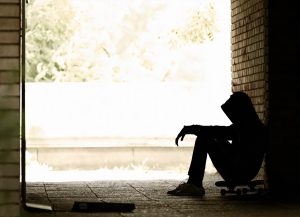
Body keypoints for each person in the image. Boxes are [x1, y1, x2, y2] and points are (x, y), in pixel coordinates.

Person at [167, 91, 266, 196]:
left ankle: (195, 183)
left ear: (241, 110)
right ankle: (193, 183)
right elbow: (218, 131)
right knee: (211, 136)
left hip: (239, 172)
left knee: (204, 138)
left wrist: (191, 129)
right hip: (241, 170)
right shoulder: (250, 125)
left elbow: (218, 131)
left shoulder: (248, 128)